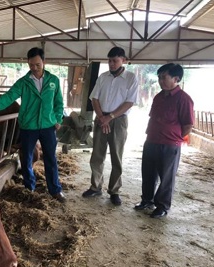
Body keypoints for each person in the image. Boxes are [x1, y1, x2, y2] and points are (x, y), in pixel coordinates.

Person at [0, 47, 66, 203]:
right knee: (26, 159)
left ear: (44, 62)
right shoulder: (23, 82)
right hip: (28, 127)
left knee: (50, 158)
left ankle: (55, 190)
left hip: (48, 126)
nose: (34, 68)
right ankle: (30, 189)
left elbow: (59, 103)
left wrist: (58, 119)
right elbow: (9, 97)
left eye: (37, 65)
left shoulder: (53, 81)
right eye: (31, 65)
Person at [134, 63, 194, 218]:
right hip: (152, 140)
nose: (160, 81)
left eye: (164, 77)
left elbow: (188, 124)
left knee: (166, 177)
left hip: (169, 144)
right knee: (148, 173)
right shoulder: (159, 97)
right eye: (159, 77)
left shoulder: (184, 99)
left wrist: (175, 138)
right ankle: (147, 200)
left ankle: (162, 206)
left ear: (176, 78)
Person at [82, 47, 139, 205]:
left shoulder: (130, 78)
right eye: (109, 60)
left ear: (123, 60)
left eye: (115, 60)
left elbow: (129, 102)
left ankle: (114, 190)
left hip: (119, 120)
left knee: (116, 156)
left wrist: (110, 117)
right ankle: (95, 187)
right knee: (97, 155)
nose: (111, 64)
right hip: (101, 117)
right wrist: (102, 117)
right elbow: (94, 98)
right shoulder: (103, 77)